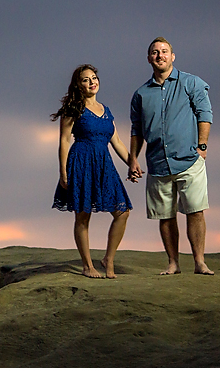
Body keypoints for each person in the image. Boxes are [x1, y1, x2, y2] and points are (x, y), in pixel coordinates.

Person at [127, 37, 215, 276]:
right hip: (157, 163)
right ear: (148, 58)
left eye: (164, 51)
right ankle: (173, 263)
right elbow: (137, 129)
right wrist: (133, 159)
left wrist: (202, 146)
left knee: (195, 210)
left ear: (172, 56)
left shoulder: (191, 83)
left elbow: (205, 113)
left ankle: (199, 262)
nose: (160, 56)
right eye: (155, 52)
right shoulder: (141, 94)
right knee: (165, 216)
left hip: (189, 160)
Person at [51, 64, 134, 279]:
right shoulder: (73, 108)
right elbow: (64, 140)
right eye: (86, 79)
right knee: (83, 216)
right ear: (78, 85)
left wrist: (132, 163)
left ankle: (108, 259)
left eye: (94, 78)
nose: (92, 82)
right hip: (81, 162)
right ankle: (88, 266)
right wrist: (63, 172)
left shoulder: (106, 111)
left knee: (122, 212)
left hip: (104, 164)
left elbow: (116, 141)